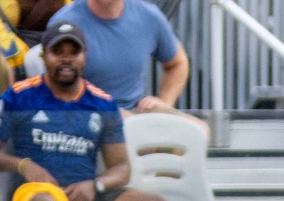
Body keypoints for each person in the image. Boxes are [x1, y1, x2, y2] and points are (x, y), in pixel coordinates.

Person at [0, 22, 172, 201]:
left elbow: (121, 168)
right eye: (58, 52)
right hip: (38, 195)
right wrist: (23, 165)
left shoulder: (102, 103)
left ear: (85, 56)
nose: (66, 59)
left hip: (85, 196)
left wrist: (96, 185)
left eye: (74, 52)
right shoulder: (20, 96)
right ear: (43, 56)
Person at [51, 0, 209, 136]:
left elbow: (177, 63)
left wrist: (164, 102)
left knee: (198, 131)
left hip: (136, 110)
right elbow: (56, 89)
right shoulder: (65, 22)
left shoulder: (148, 16)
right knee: (134, 130)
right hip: (86, 112)